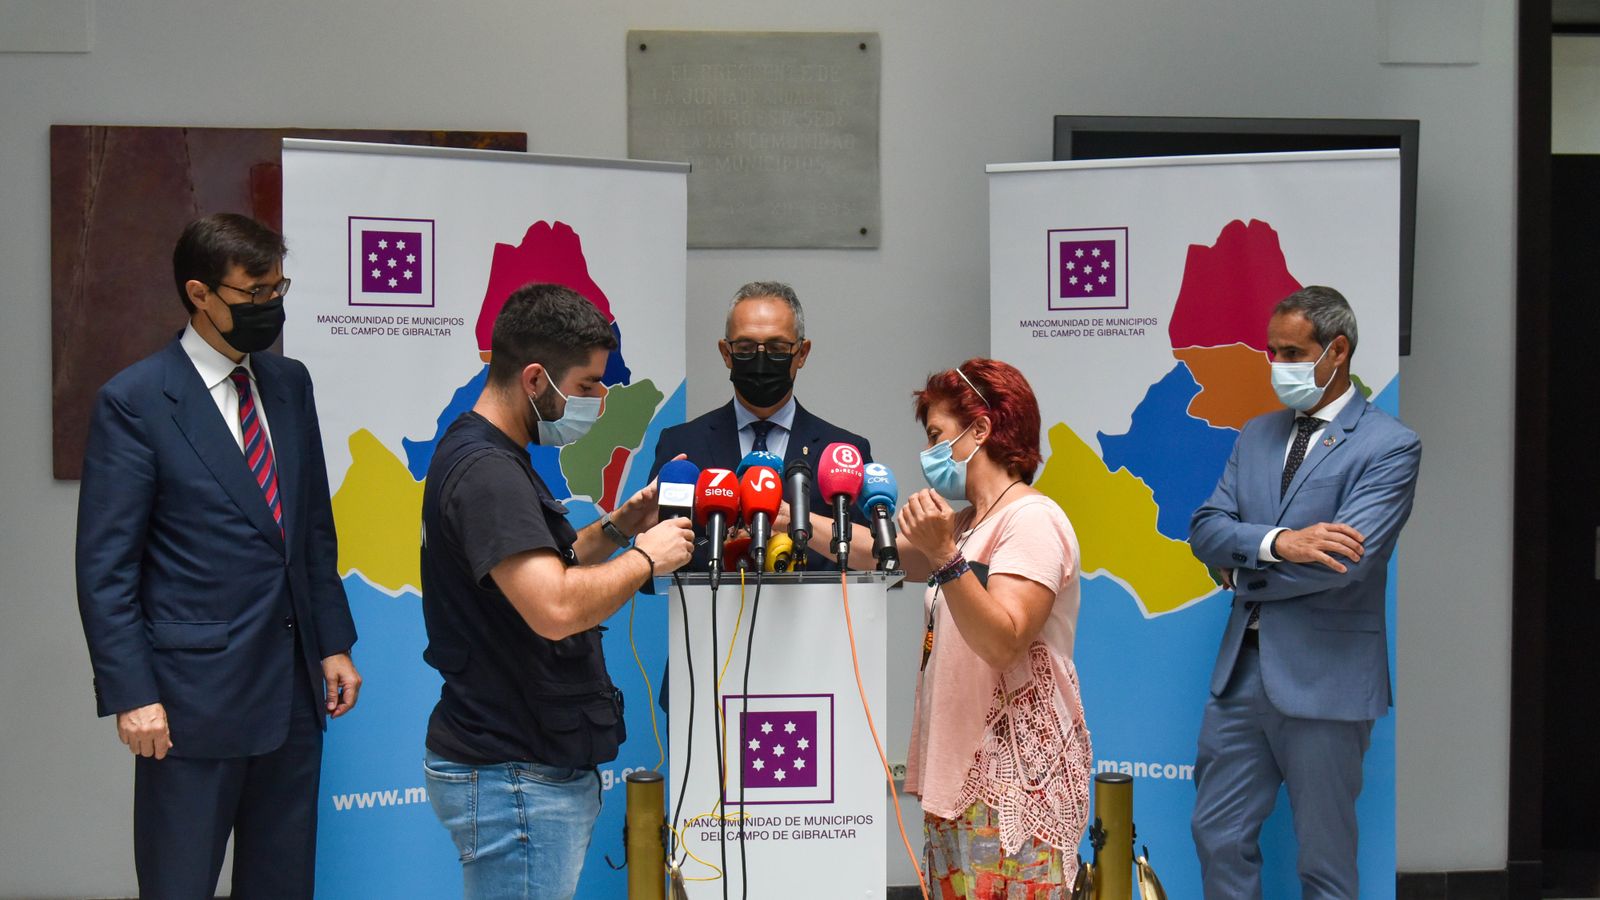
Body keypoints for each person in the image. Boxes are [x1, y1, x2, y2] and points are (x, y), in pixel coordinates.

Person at [75, 213, 361, 899]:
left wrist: (333, 643)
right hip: (188, 703)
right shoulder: (136, 401)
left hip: (292, 694)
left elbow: (311, 530)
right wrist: (133, 694)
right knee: (179, 884)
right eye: (253, 293)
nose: (271, 306)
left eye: (278, 289)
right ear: (199, 294)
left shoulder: (289, 383)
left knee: (282, 884)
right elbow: (106, 569)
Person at [418, 282, 695, 900]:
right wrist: (647, 558)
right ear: (535, 379)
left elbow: (546, 568)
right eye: (588, 384)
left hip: (518, 766)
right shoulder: (490, 473)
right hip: (514, 775)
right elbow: (555, 606)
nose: (599, 399)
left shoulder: (488, 452)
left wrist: (621, 526)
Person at [799, 358, 1093, 892]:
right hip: (958, 785)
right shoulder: (965, 525)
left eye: (936, 435)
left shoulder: (1032, 519)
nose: (928, 452)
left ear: (981, 430)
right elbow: (875, 551)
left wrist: (944, 555)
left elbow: (1004, 642)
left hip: (1014, 790)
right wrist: (786, 515)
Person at [1188, 286, 1421, 900]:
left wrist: (1240, 570)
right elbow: (1205, 529)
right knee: (1217, 836)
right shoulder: (1256, 434)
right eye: (1272, 351)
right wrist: (1280, 543)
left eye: (1292, 353)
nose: (1277, 365)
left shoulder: (1389, 445)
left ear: (1336, 351)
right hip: (1241, 676)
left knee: (1325, 860)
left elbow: (1344, 563)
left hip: (1328, 679)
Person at [647, 280, 873, 571]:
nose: (761, 359)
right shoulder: (681, 445)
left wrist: (791, 535)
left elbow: (874, 559)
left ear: (802, 353)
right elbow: (653, 558)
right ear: (726, 353)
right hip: (709, 600)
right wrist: (722, 548)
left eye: (778, 348)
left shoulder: (845, 452)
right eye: (745, 347)